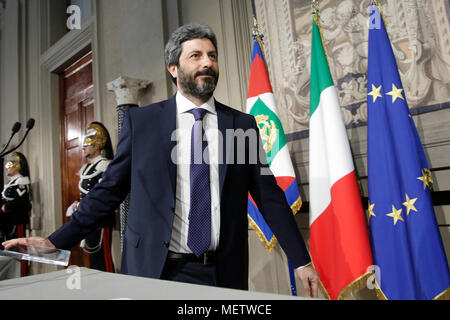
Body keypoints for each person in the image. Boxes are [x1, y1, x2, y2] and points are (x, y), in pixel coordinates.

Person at [3, 24, 319, 297]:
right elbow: (109, 191)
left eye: (212, 55)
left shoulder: (241, 125)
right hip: (158, 271)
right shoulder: (143, 124)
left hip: (223, 273)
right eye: (195, 56)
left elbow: (268, 195)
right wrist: (56, 240)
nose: (207, 63)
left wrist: (301, 260)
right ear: (173, 68)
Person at [65, 122, 115, 272]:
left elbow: (104, 193)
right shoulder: (87, 168)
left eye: (88, 144)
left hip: (101, 218)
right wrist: (77, 203)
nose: (84, 147)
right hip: (88, 217)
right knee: (92, 259)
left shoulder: (105, 165)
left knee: (103, 259)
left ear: (98, 145)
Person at [1, 152, 32, 276]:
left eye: (9, 165)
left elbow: (21, 202)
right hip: (8, 221)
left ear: (17, 166)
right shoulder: (12, 182)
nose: (6, 168)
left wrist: (6, 207)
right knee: (8, 249)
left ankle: (21, 274)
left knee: (19, 250)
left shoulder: (22, 182)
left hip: (17, 220)